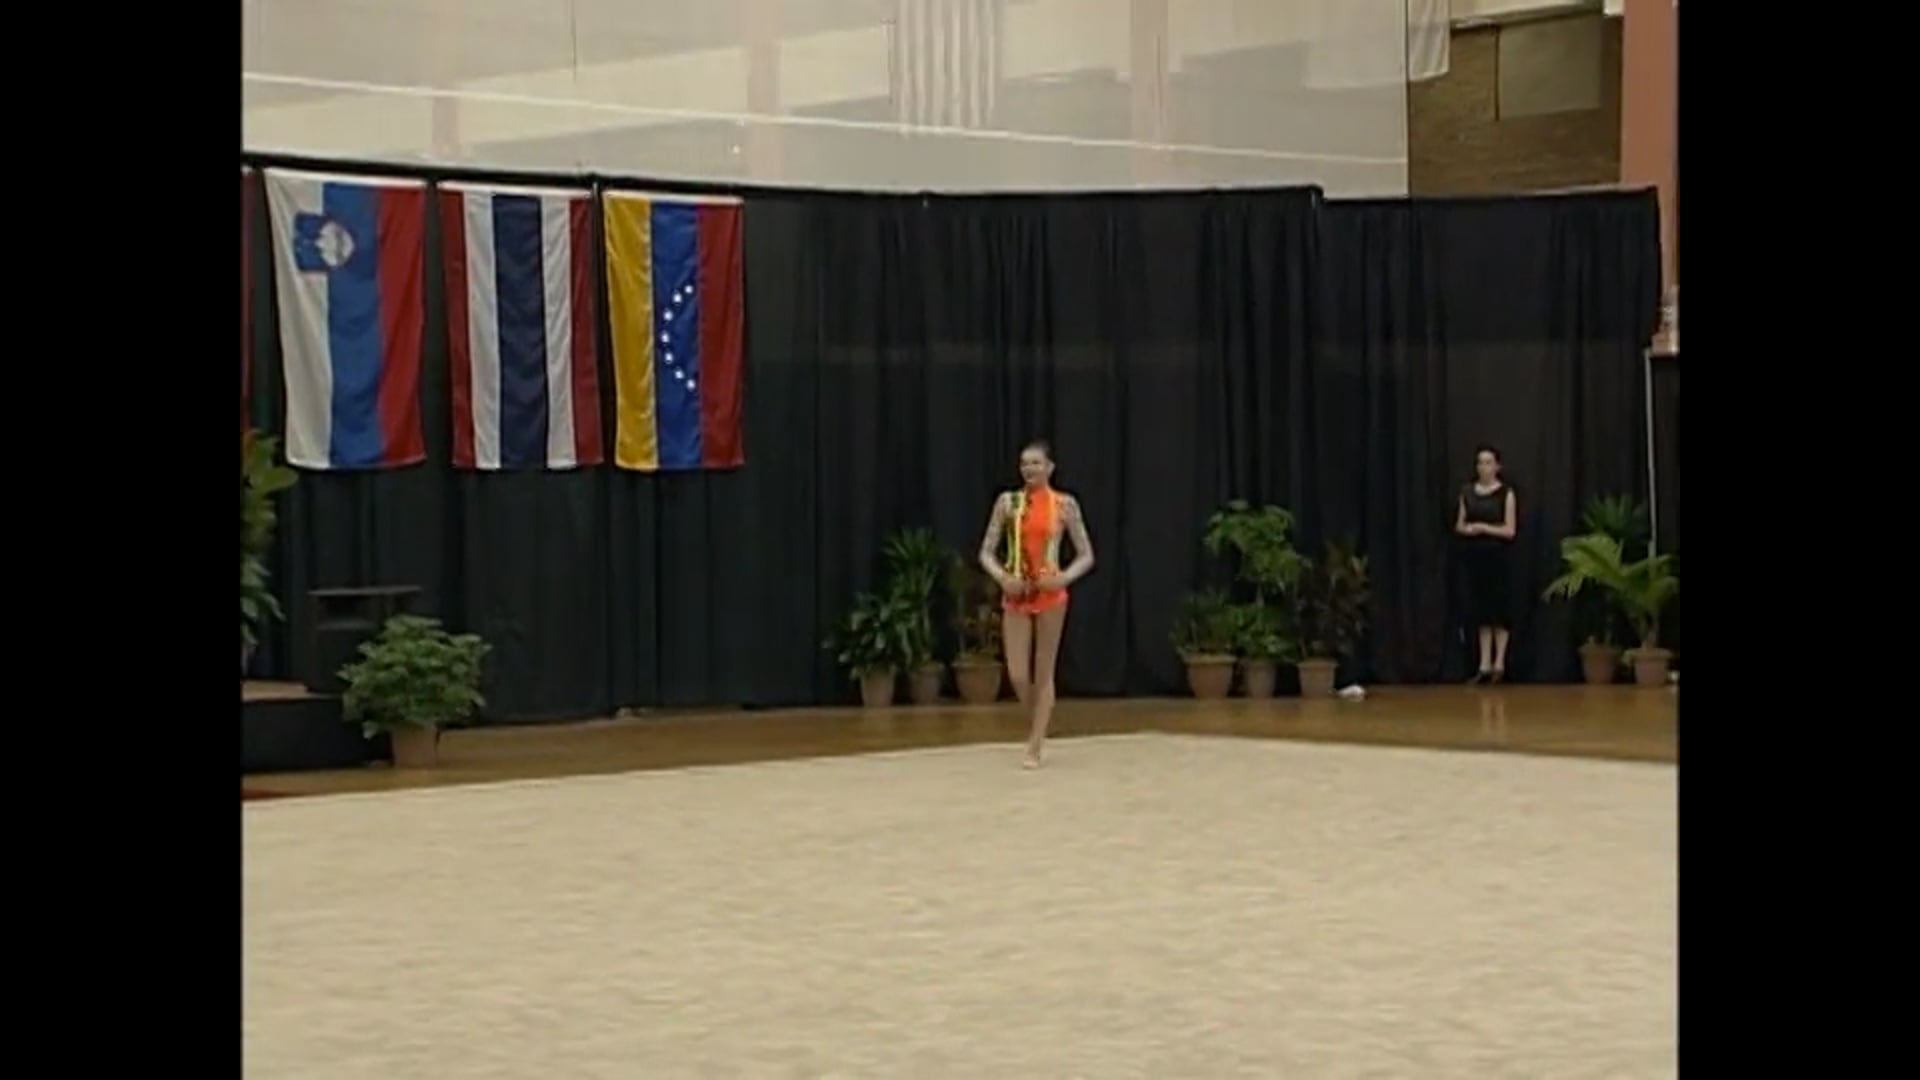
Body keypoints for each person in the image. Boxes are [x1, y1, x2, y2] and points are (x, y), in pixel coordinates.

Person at [977, 440, 1095, 769]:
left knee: (1044, 672)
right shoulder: (1008, 503)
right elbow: (985, 551)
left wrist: (1064, 578)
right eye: (1025, 464)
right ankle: (1039, 719)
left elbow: (1086, 554)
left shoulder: (1064, 505)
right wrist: (1002, 577)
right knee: (1016, 674)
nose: (1029, 469)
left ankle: (1035, 743)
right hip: (1016, 593)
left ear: (1050, 468)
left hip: (1050, 594)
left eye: (1036, 463)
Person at [1455, 444, 1518, 683]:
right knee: (1480, 612)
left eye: (1488, 462)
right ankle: (1484, 664)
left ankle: (1499, 663)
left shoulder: (1506, 493)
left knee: (1499, 612)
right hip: (1475, 559)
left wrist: (1484, 528)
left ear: (1498, 466)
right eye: (1480, 462)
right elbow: (1459, 525)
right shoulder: (1467, 492)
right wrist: (1468, 529)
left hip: (1499, 559)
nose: (1484, 467)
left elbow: (1510, 530)